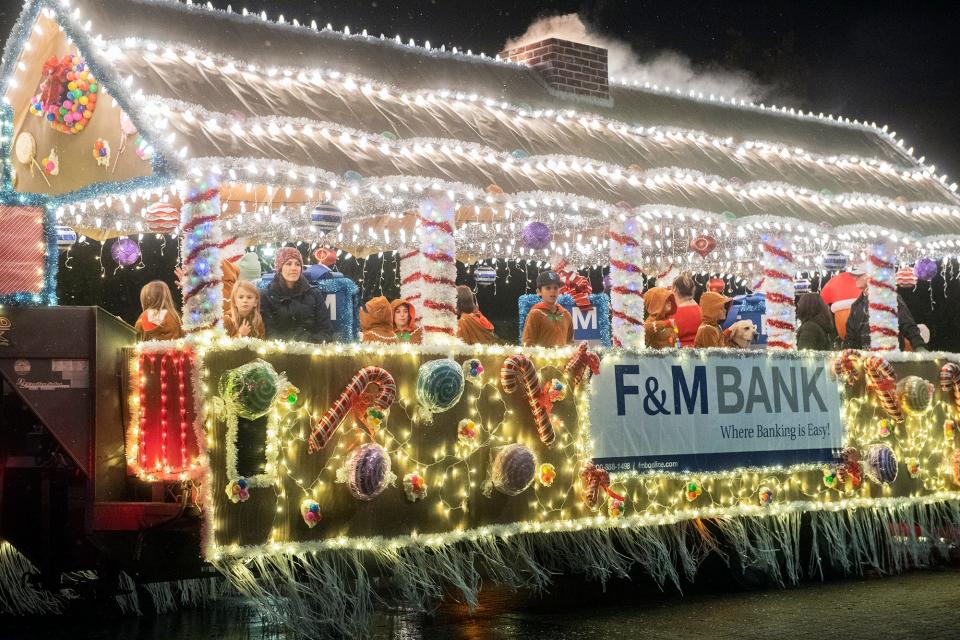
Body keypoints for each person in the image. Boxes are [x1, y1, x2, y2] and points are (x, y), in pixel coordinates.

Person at [260, 247, 333, 343]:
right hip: (279, 353)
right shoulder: (267, 296)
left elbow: (326, 329)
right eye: (288, 264)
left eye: (297, 264)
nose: (294, 268)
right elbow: (269, 331)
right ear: (280, 268)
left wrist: (309, 344)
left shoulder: (314, 293)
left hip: (310, 352)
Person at [842, 269, 927, 351]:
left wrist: (920, 346)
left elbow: (907, 324)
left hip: (891, 358)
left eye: (859, 275)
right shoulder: (856, 306)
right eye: (854, 276)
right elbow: (850, 337)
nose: (855, 278)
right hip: (865, 361)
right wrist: (846, 355)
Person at [521, 271, 573, 347]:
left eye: (556, 288)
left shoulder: (566, 315)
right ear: (539, 292)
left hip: (563, 359)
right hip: (540, 359)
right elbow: (528, 344)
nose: (552, 291)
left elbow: (569, 343)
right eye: (548, 288)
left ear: (559, 290)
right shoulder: (535, 314)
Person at [819, 268, 861, 340]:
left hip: (839, 316)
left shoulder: (833, 281)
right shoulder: (860, 281)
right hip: (859, 313)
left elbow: (822, 297)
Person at [671, 273, 701, 347]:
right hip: (699, 351)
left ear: (674, 288)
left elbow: (672, 339)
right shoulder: (699, 309)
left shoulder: (674, 313)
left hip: (679, 353)